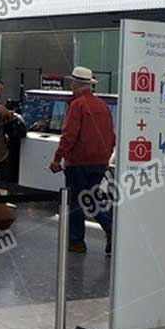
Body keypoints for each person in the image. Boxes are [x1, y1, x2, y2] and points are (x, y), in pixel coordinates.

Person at [49, 67, 115, 254]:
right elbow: (111, 136)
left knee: (77, 202)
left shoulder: (77, 105)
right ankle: (112, 231)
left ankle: (77, 241)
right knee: (92, 199)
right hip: (100, 162)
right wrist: (106, 156)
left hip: (78, 163)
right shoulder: (103, 105)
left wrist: (57, 159)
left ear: (76, 84)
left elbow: (69, 135)